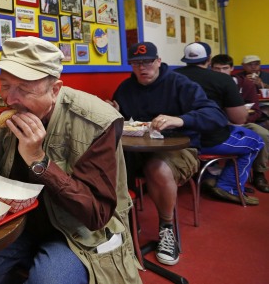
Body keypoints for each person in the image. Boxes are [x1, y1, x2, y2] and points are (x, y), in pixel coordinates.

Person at [0, 37, 142, 284]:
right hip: (18, 222)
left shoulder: (97, 122)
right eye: (5, 84)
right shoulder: (2, 106)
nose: (10, 99)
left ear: (54, 90)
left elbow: (96, 214)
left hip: (75, 235)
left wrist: (38, 161)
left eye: (24, 88)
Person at [107, 41, 231, 266]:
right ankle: (121, 224)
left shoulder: (180, 84)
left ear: (158, 61)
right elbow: (124, 120)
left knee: (157, 168)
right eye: (135, 63)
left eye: (147, 62)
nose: (142, 68)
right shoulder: (126, 88)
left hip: (180, 149)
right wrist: (113, 112)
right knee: (106, 163)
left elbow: (216, 115)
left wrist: (180, 119)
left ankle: (166, 227)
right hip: (137, 149)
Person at [174, 42, 265, 198]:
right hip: (209, 141)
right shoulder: (222, 79)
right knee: (255, 141)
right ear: (209, 59)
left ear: (185, 58)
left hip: (175, 140)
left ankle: (211, 177)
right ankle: (229, 187)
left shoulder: (170, 77)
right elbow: (239, 118)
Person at [211, 53, 269, 192]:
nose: (221, 72)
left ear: (232, 69)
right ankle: (211, 174)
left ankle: (259, 173)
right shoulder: (208, 84)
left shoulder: (245, 84)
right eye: (217, 69)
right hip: (216, 124)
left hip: (243, 122)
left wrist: (242, 120)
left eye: (225, 68)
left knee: (264, 134)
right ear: (210, 68)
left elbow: (256, 111)